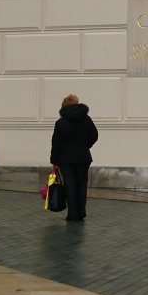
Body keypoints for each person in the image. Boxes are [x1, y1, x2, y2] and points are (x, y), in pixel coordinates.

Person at [50, 93, 98, 223]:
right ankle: (81, 212)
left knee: (69, 185)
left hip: (66, 159)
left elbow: (56, 143)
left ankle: (72, 214)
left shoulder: (60, 123)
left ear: (64, 106)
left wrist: (54, 159)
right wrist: (86, 146)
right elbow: (94, 135)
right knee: (82, 184)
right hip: (83, 157)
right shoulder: (86, 119)